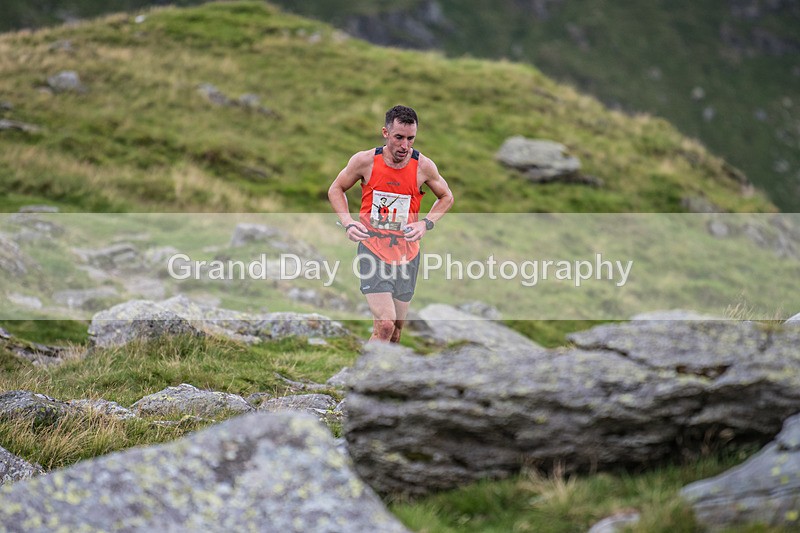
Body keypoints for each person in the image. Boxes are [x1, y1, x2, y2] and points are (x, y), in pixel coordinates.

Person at [328, 105, 454, 343]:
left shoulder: (423, 166)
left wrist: (425, 224)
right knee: (385, 324)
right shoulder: (365, 161)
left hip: (407, 254)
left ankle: (381, 368)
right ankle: (366, 369)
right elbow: (336, 188)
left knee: (395, 332)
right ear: (385, 133)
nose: (405, 145)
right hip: (373, 249)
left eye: (411, 138)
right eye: (399, 137)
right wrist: (347, 222)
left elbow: (447, 197)